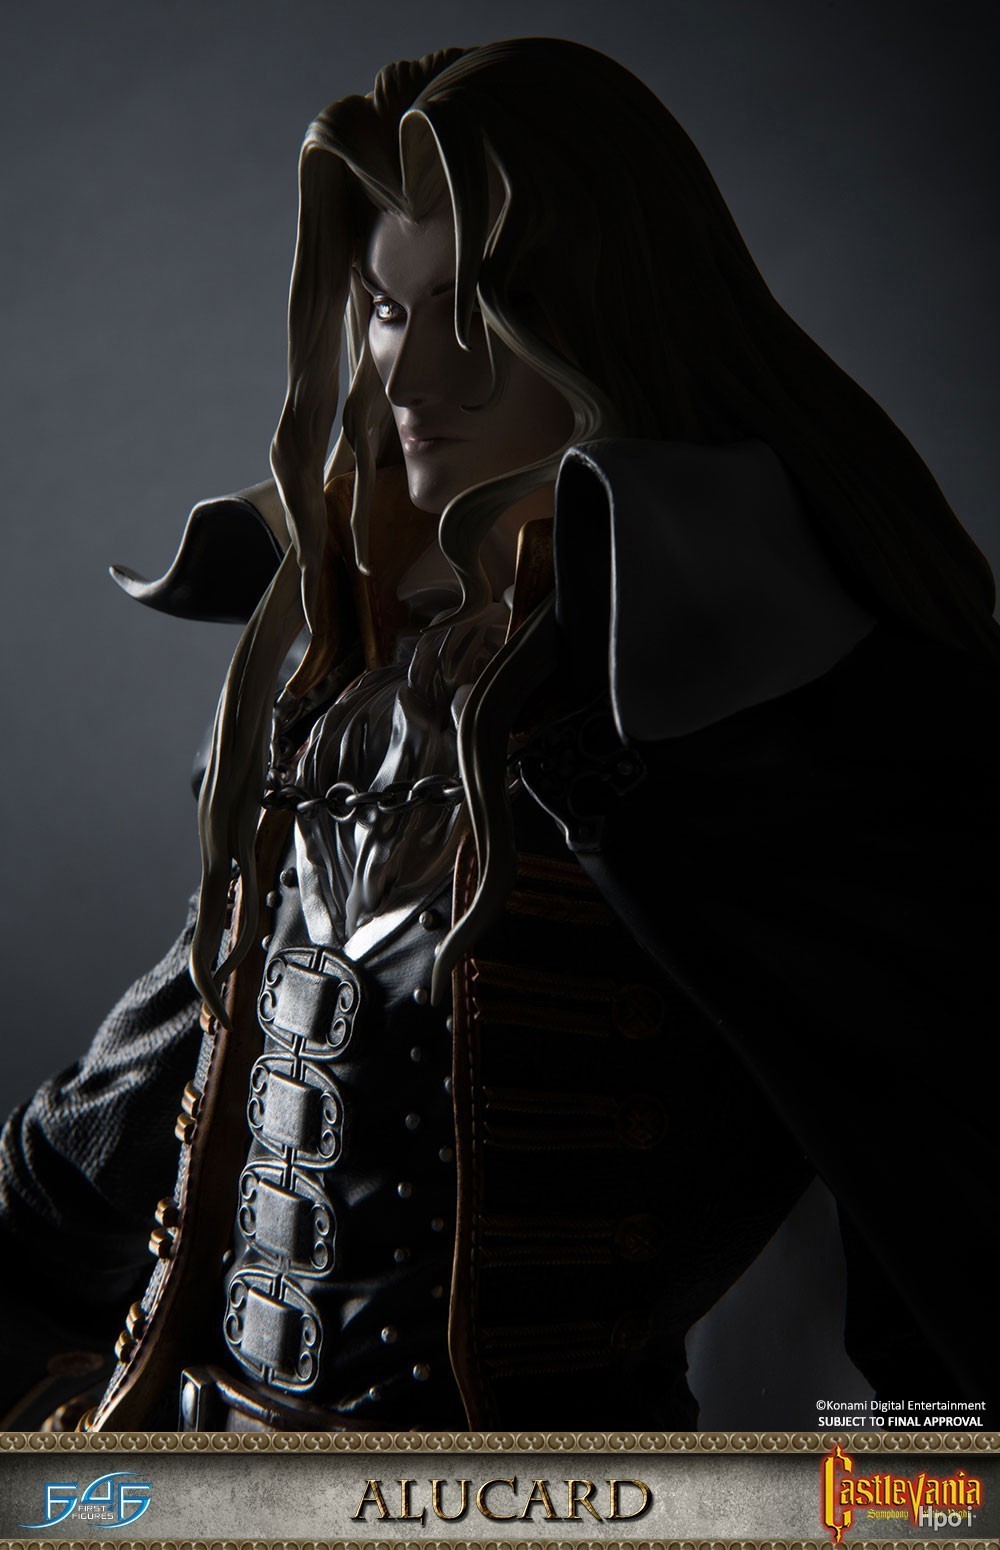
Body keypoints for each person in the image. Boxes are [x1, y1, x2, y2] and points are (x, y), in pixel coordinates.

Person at [1, 38, 997, 1433]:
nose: (413, 375)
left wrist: (919, 1489)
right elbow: (161, 1077)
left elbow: (936, 1190)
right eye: (385, 311)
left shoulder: (751, 719)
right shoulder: (345, 694)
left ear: (596, 319)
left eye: (468, 311)